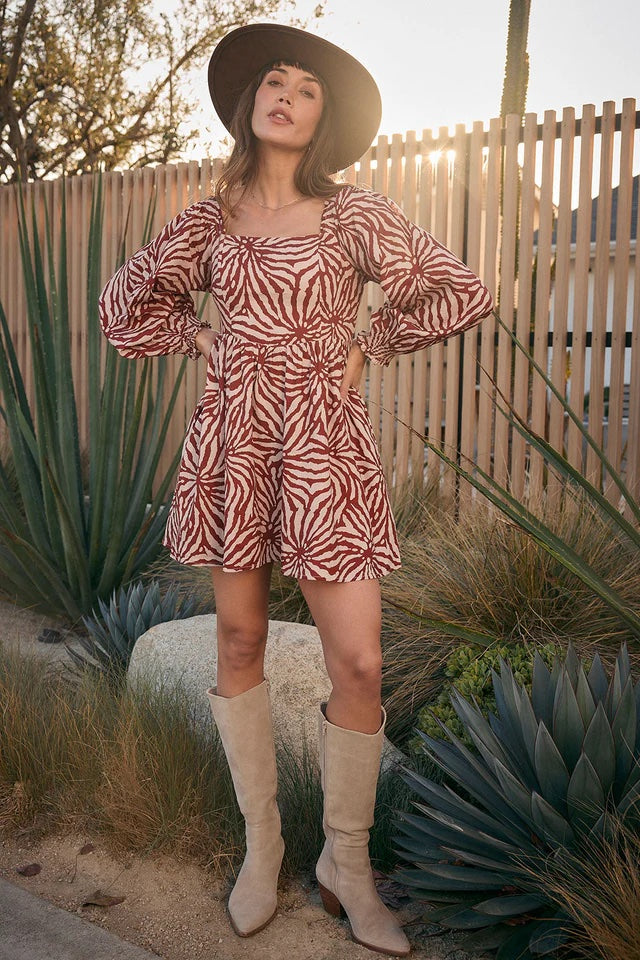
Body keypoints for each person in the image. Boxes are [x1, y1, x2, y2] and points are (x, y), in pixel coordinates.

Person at [99, 22, 493, 957]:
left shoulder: (356, 215)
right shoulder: (209, 217)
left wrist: (370, 343)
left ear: (325, 120)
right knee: (238, 637)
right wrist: (198, 339)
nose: (285, 94)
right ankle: (262, 848)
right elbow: (126, 304)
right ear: (250, 105)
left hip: (326, 444)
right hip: (237, 439)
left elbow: (455, 288)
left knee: (357, 662)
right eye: (273, 82)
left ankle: (344, 866)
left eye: (307, 87)